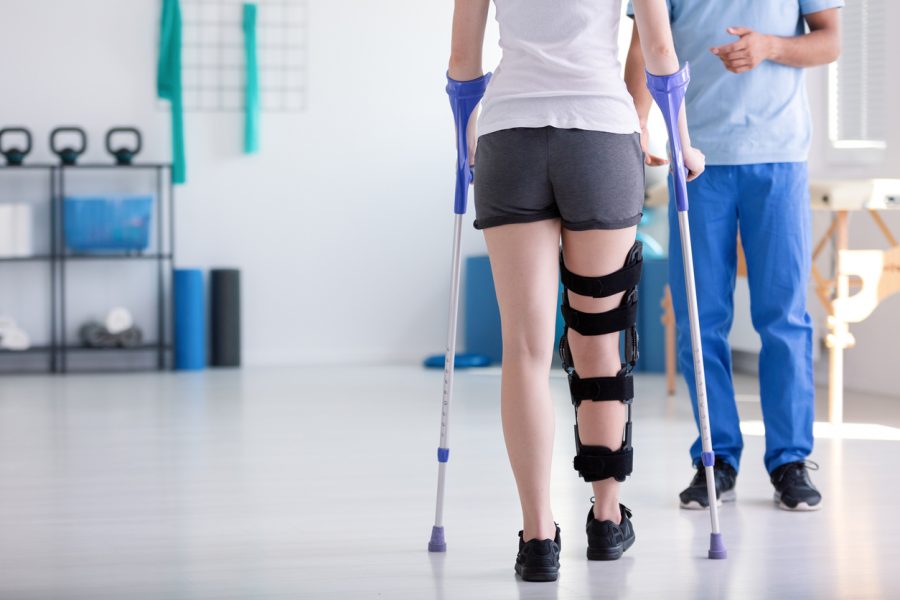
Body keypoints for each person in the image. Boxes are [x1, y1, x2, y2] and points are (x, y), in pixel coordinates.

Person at [447, 0, 704, 581]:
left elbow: (463, 63)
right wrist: (682, 144)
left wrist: (465, 140)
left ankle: (538, 537)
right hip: (599, 135)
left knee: (527, 349)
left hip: (509, 139)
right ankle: (607, 519)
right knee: (600, 340)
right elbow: (661, 55)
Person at [624, 0, 842, 511]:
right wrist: (635, 124)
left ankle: (790, 460)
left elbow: (830, 40)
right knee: (701, 319)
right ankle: (714, 458)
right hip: (696, 159)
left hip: (780, 158)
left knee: (784, 317)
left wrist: (770, 47)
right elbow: (641, 44)